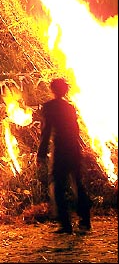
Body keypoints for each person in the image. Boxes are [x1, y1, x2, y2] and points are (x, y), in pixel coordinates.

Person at [36, 77, 92, 234]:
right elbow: (76, 130)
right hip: (73, 149)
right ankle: (85, 221)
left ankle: (65, 224)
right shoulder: (70, 107)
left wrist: (41, 153)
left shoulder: (49, 107)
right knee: (77, 184)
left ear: (52, 90)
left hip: (60, 150)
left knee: (57, 185)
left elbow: (46, 131)